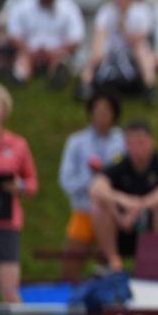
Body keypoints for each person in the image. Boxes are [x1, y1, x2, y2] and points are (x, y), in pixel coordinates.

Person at [89, 121, 158, 271]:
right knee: (98, 206)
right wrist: (122, 201)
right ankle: (112, 261)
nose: (138, 147)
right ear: (126, 144)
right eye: (132, 142)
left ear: (152, 141)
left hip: (153, 223)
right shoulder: (119, 163)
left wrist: (141, 204)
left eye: (142, 141)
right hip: (123, 224)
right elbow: (96, 187)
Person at [57, 91, 125, 280]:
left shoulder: (123, 142)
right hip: (83, 210)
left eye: (107, 110)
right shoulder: (76, 142)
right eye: (98, 110)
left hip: (112, 214)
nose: (102, 115)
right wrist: (94, 181)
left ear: (114, 114)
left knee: (107, 269)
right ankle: (70, 303)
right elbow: (66, 181)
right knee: (70, 266)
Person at [0, 85, 37, 304]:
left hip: (5, 223)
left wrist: (19, 186)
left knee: (10, 292)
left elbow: (32, 184)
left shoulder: (17, 145)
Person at [79, 0, 158, 102]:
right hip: (111, 50)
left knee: (142, 51)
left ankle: (149, 87)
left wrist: (124, 27)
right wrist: (99, 51)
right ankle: (84, 84)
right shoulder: (106, 12)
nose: (118, 0)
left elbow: (139, 39)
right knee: (97, 51)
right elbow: (100, 35)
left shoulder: (140, 12)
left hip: (131, 50)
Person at [5, 0, 84, 86]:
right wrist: (28, 49)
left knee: (61, 59)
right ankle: (20, 77)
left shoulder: (69, 7)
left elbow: (76, 38)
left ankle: (56, 77)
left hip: (57, 51)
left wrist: (56, 51)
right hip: (29, 50)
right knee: (22, 59)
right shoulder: (23, 5)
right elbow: (13, 34)